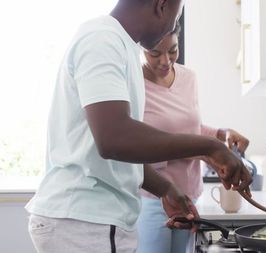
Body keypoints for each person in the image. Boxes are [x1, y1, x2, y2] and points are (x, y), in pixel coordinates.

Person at [25, 0, 252, 252]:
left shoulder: (120, 45)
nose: (172, 25)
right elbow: (114, 138)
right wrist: (210, 147)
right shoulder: (102, 40)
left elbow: (113, 150)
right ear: (161, 5)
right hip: (85, 221)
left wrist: (164, 187)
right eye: (176, 18)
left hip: (90, 220)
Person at [136, 22, 250, 253]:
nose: (166, 61)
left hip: (189, 194)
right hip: (153, 196)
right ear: (141, 47)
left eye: (173, 50)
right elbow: (134, 143)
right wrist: (206, 151)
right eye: (155, 53)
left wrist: (221, 134)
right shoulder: (134, 83)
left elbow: (191, 127)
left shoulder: (188, 78)